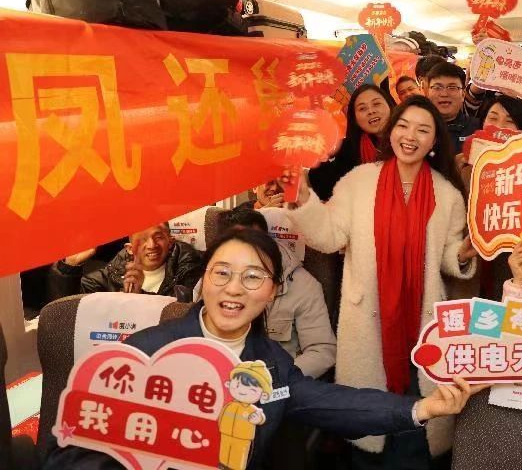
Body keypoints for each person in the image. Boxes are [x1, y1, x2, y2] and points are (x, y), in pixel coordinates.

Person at [42, 229, 484, 470]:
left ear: (272, 291)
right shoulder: (144, 352)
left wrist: (422, 408)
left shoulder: (270, 366)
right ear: (202, 281)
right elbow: (75, 449)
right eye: (222, 273)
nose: (234, 288)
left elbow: (334, 403)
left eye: (253, 277)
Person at [287, 95, 477, 466]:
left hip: (422, 321)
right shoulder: (358, 182)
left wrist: (464, 253)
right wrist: (304, 199)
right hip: (367, 319)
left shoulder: (447, 194)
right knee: (367, 421)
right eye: (403, 126)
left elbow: (446, 255)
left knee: (418, 419)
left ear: (434, 141)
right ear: (391, 132)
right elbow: (329, 236)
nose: (410, 136)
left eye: (423, 130)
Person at [194, 206, 337, 378]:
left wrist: (270, 378)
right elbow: (196, 333)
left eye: (253, 242)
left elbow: (322, 350)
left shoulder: (303, 285)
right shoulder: (210, 279)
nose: (245, 251)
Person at [51, 223, 202, 300]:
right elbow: (66, 310)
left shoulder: (191, 269)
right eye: (142, 239)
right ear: (130, 249)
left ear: (171, 242)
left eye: (158, 237)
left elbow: (180, 313)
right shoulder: (112, 274)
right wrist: (69, 267)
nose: (151, 245)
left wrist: (136, 297)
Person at [309, 83, 395, 201]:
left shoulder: (411, 134)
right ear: (355, 119)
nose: (371, 111)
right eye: (362, 108)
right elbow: (324, 187)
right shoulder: (350, 149)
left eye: (376, 104)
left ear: (389, 105)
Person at [426, 61, 480, 153]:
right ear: (427, 93)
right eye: (437, 87)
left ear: (463, 94)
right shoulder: (416, 127)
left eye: (452, 88)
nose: (444, 94)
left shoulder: (477, 129)